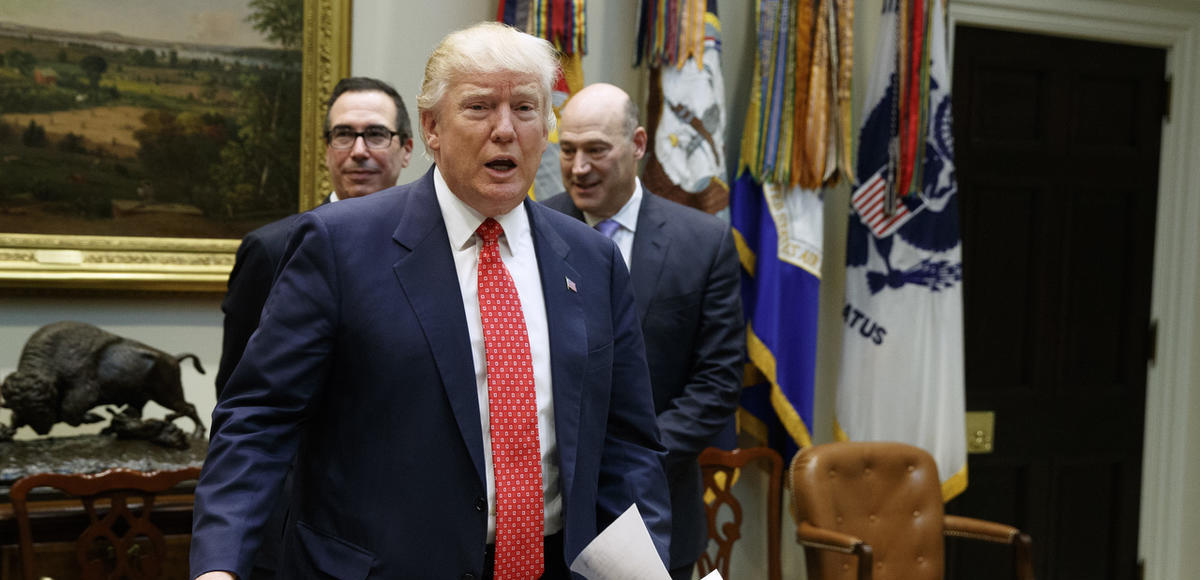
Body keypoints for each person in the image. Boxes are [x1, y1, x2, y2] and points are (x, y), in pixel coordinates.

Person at [191, 22, 670, 580]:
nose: (504, 130)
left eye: (524, 107)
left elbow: (628, 443)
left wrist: (646, 568)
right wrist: (219, 566)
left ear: (547, 128)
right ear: (430, 127)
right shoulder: (338, 245)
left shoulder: (592, 261)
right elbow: (259, 417)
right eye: (479, 107)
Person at [542, 83, 744, 580]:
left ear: (636, 144)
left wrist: (633, 459)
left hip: (659, 509)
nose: (579, 167)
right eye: (567, 150)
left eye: (596, 150)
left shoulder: (704, 242)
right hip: (549, 518)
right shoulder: (537, 229)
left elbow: (717, 381)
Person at [216, 76, 413, 397]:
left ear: (406, 150)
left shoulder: (434, 246)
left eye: (376, 134)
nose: (359, 151)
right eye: (344, 135)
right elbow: (239, 394)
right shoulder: (272, 250)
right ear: (326, 150)